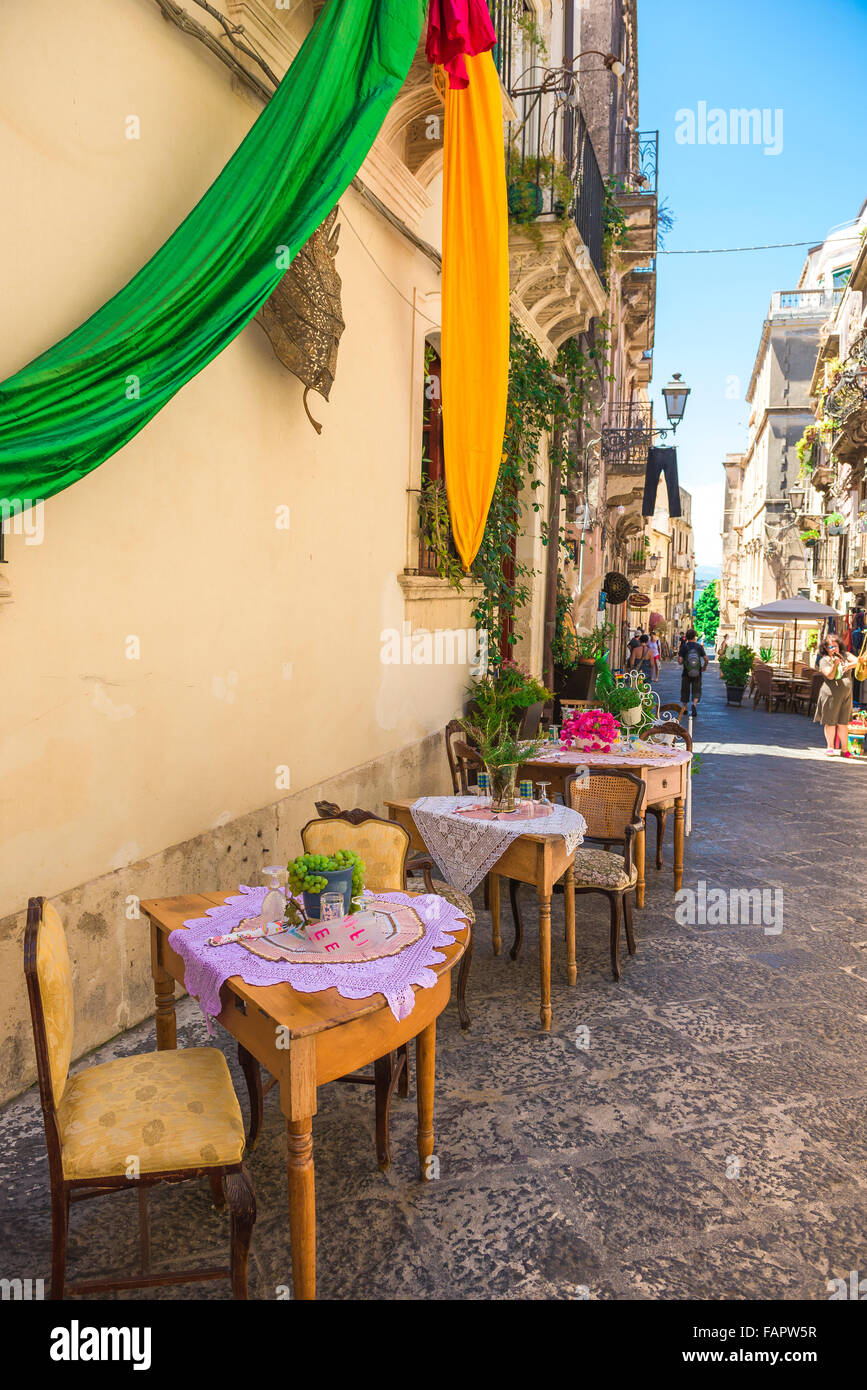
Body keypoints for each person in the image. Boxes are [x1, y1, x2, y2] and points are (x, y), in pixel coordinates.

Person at [814, 632, 858, 756]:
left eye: (835, 645)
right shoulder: (824, 660)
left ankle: (845, 750)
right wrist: (836, 665)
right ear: (826, 649)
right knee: (831, 721)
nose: (834, 648)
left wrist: (848, 665)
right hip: (830, 695)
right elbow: (830, 675)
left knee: (844, 723)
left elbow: (859, 662)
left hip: (846, 695)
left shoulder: (846, 655)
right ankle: (830, 747)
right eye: (830, 647)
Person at [677, 627, 708, 718]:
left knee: (685, 690)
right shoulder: (699, 647)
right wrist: (704, 667)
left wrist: (683, 661)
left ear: (686, 637)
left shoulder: (684, 647)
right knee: (696, 690)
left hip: (686, 672)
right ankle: (694, 705)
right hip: (697, 672)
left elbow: (680, 661)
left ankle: (685, 708)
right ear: (694, 637)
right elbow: (706, 659)